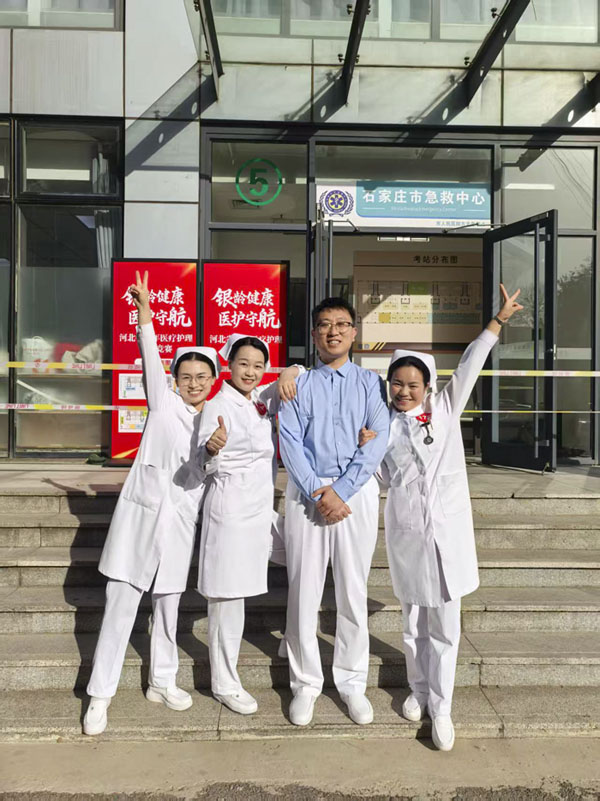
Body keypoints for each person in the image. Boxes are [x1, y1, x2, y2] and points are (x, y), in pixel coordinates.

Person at [379, 283, 523, 751]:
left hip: (447, 532)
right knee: (412, 621)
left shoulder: (444, 407)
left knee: (444, 625)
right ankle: (418, 690)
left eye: (412, 385)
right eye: (397, 384)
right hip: (407, 533)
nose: (404, 391)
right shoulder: (381, 426)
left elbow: (470, 364)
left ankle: (441, 708)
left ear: (427, 387)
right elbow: (381, 477)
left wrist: (497, 322)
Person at [83, 271, 219, 736]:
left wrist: (213, 452)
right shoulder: (163, 406)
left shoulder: (215, 419)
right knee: (120, 606)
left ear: (213, 380)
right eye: (186, 376)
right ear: (175, 380)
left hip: (178, 527)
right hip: (141, 521)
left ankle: (162, 681)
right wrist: (144, 310)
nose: (194, 383)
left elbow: (205, 472)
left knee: (168, 607)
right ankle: (100, 695)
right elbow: (150, 357)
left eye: (202, 376)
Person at [278, 297, 390, 728]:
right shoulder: (298, 384)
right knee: (303, 592)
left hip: (354, 494)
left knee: (352, 590)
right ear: (314, 334)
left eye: (342, 324)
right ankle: (305, 684)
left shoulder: (371, 383)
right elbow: (290, 441)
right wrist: (317, 490)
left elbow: (378, 438)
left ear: (354, 333)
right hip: (307, 494)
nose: (333, 332)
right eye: (325, 324)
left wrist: (340, 491)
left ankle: (352, 682)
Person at [196, 333, 303, 715]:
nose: (251, 371)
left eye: (259, 366)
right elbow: (200, 462)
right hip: (230, 511)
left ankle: (292, 638)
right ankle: (224, 683)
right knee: (228, 600)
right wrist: (211, 448)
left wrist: (288, 371)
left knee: (305, 558)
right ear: (229, 365)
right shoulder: (216, 406)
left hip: (261, 512)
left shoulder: (260, 400)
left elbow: (300, 372)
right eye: (243, 364)